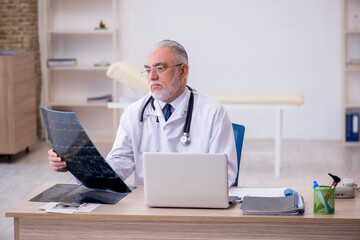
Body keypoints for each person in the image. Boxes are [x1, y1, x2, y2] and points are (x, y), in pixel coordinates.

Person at [48, 40, 238, 187]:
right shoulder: (134, 113)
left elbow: (226, 173)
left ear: (183, 71)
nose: (151, 76)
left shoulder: (213, 113)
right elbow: (119, 163)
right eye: (147, 70)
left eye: (160, 68)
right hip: (148, 208)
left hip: (196, 205)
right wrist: (76, 165)